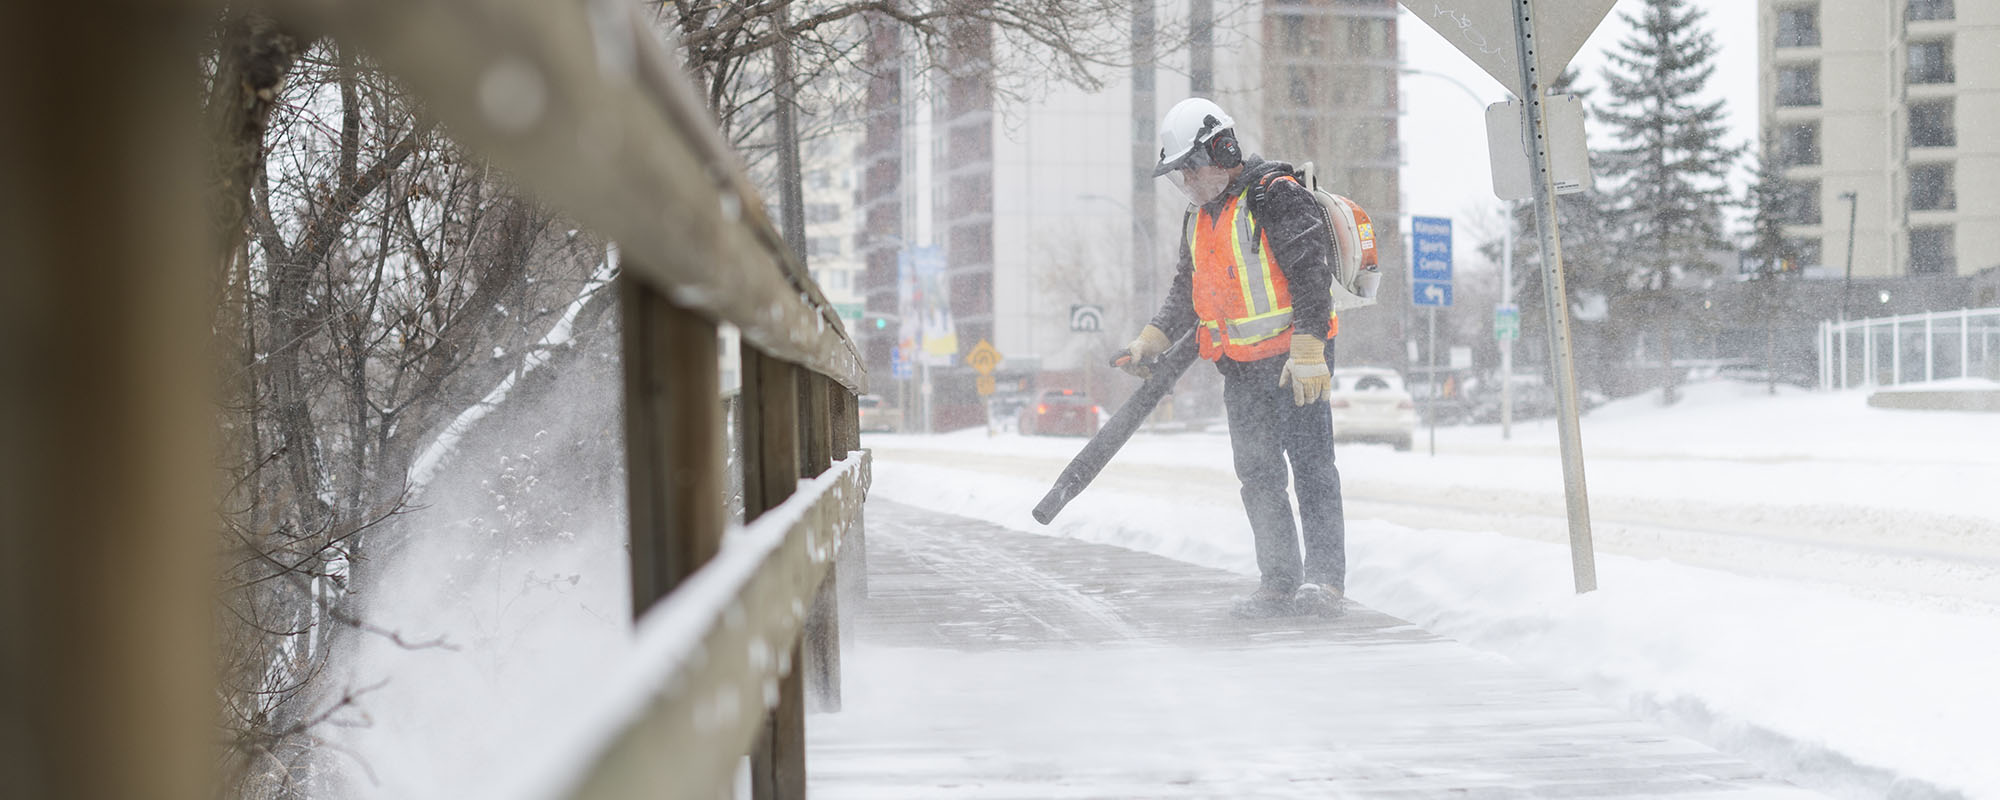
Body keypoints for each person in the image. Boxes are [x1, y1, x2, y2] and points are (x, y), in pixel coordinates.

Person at [1120, 97, 1347, 619]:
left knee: (1312, 470)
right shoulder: (1198, 218)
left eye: (1189, 169)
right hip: (1240, 369)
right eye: (1178, 175)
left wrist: (1311, 346)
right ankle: (1279, 582)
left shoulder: (1277, 197)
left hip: (1296, 363)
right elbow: (1187, 289)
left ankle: (1325, 582)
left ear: (1222, 151)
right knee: (1259, 475)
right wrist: (1151, 338)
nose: (1186, 182)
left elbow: (1311, 273)